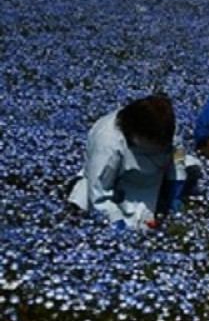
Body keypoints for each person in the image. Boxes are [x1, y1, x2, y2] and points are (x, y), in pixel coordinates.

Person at [68, 94, 199, 229]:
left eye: (163, 143)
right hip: (120, 185)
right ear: (136, 134)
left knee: (192, 166)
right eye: (156, 143)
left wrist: (176, 184)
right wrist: (116, 221)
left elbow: (178, 155)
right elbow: (99, 191)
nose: (161, 146)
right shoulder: (108, 142)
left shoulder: (166, 127)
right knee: (122, 218)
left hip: (155, 180)